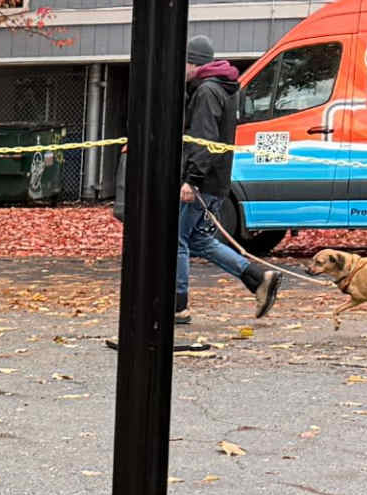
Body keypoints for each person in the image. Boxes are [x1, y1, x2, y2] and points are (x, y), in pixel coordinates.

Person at [112, 54, 282, 328]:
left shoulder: (206, 91)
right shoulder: (223, 89)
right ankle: (257, 277)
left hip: (202, 182)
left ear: (194, 64)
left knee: (175, 240)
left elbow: (204, 139)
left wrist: (192, 180)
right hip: (215, 181)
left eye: (185, 64)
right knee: (199, 240)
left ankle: (178, 306)